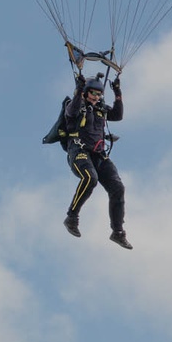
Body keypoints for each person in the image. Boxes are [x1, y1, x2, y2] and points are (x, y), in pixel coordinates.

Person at [62, 68, 132, 249]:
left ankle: (117, 232)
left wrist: (117, 92)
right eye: (93, 93)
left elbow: (118, 115)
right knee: (90, 178)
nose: (96, 97)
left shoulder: (101, 108)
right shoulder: (74, 104)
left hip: (99, 155)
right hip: (79, 152)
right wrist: (78, 90)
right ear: (86, 93)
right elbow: (71, 112)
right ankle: (72, 217)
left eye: (99, 94)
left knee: (118, 187)